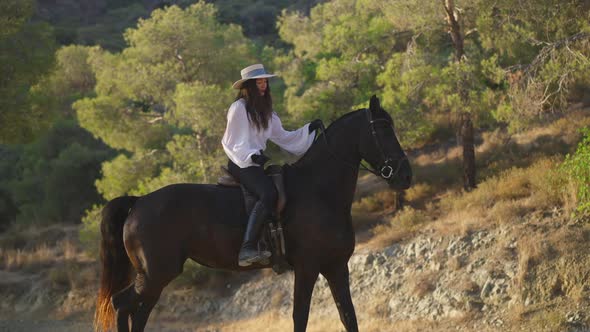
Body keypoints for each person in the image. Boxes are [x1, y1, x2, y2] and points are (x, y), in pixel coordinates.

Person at [222, 64, 322, 266]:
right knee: (268, 194)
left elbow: (284, 137)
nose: (263, 85)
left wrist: (309, 129)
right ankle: (247, 248)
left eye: (265, 81)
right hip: (239, 161)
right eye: (259, 82)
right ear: (248, 86)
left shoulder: (267, 111)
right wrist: (251, 156)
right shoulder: (238, 109)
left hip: (255, 162)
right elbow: (231, 142)